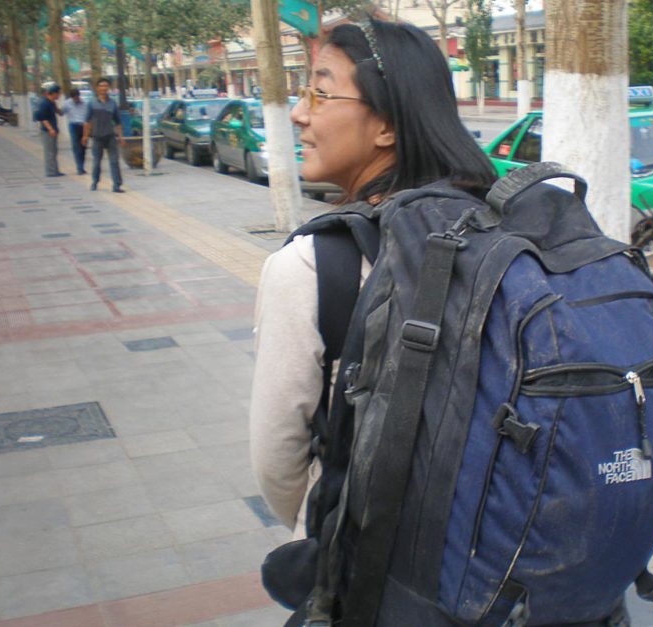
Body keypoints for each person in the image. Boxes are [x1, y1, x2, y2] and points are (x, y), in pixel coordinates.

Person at [249, 18, 495, 624]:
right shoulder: (499, 228)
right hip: (498, 563)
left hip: (382, 583)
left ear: (387, 125)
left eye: (320, 91)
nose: (300, 115)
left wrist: (328, 508)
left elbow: (278, 459)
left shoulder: (312, 265)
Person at [82, 77, 124, 193]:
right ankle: (95, 182)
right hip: (97, 137)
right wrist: (85, 136)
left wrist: (120, 136)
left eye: (106, 86)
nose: (103, 88)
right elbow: (87, 121)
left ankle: (117, 185)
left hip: (110, 136)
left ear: (108, 88)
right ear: (97, 88)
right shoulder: (92, 103)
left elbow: (118, 122)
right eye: (101, 86)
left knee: (114, 161)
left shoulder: (112, 103)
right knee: (96, 162)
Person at [35, 84, 63, 177]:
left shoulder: (51, 103)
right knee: (49, 151)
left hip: (53, 130)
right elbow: (43, 118)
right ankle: (50, 171)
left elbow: (59, 112)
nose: (59, 95)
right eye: (58, 93)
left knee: (54, 151)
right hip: (47, 131)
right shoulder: (44, 103)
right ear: (54, 93)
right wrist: (50, 129)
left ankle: (55, 170)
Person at [63, 88, 89, 174]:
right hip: (73, 126)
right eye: (74, 98)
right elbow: (62, 112)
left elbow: (88, 116)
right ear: (71, 97)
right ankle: (79, 168)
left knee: (83, 147)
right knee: (76, 147)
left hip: (83, 126)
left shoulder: (85, 103)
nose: (76, 99)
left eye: (77, 97)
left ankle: (81, 166)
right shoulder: (67, 103)